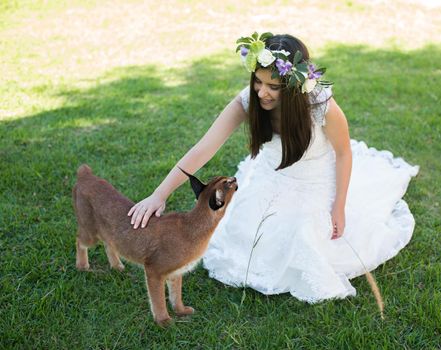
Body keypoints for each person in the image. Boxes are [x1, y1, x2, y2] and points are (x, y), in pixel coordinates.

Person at [128, 33, 419, 302]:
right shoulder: (248, 101)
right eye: (258, 81)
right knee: (252, 241)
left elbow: (344, 153)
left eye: (273, 86)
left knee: (304, 237)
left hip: (316, 181)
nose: (262, 92)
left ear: (294, 86)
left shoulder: (321, 105)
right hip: (272, 178)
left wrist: (339, 206)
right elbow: (204, 147)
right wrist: (160, 194)